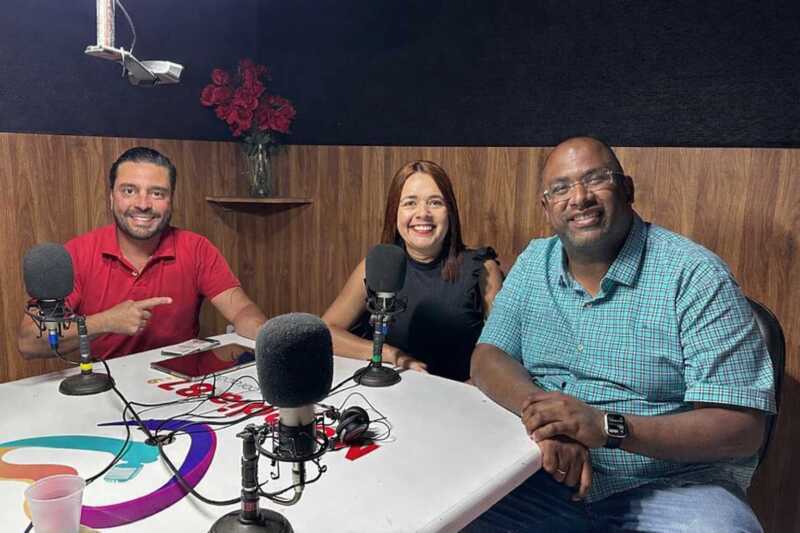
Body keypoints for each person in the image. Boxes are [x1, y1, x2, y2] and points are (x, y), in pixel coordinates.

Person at [467, 137, 775, 531]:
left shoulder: (695, 276)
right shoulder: (533, 262)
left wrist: (606, 427)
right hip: (544, 474)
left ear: (627, 190)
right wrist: (549, 420)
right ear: (547, 208)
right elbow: (489, 355)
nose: (579, 198)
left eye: (596, 179)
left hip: (673, 486)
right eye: (560, 188)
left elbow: (742, 429)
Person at [18, 147, 266, 360]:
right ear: (111, 198)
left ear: (171, 201)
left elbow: (242, 311)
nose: (143, 204)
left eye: (157, 193)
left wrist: (270, 340)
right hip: (103, 384)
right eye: (129, 191)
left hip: (180, 382)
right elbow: (28, 342)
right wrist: (104, 322)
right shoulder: (77, 253)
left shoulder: (196, 248)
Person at [322, 160, 503, 381]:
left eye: (435, 203)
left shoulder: (483, 270)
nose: (423, 213)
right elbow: (327, 331)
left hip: (459, 395)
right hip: (391, 390)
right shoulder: (380, 265)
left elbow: (503, 351)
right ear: (394, 213)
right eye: (410, 203)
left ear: (450, 212)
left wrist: (470, 388)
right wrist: (392, 355)